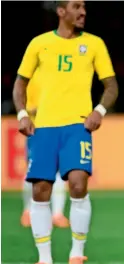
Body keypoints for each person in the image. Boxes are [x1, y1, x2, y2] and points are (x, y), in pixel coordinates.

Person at [12, 0, 118, 264]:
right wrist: (22, 114)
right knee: (40, 191)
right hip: (44, 127)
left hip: (77, 126)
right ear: (61, 11)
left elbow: (111, 85)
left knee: (78, 183)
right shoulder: (39, 43)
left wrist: (99, 110)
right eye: (76, 6)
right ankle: (44, 261)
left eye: (83, 7)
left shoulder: (94, 44)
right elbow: (20, 82)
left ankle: (76, 255)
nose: (83, 11)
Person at [20, 69, 69, 229]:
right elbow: (28, 106)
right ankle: (27, 211)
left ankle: (57, 214)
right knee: (33, 170)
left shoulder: (61, 78)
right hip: (38, 130)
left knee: (60, 171)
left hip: (60, 129)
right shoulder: (32, 80)